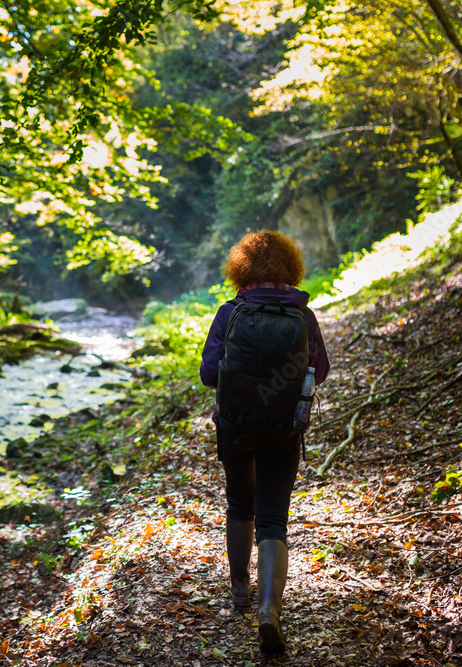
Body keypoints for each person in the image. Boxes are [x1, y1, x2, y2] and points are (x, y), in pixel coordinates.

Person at [199, 231, 330, 651]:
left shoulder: (229, 312)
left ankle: (239, 594)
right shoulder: (302, 316)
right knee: (273, 518)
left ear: (241, 268)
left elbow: (208, 375)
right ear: (290, 268)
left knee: (240, 503)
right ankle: (269, 610)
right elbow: (321, 370)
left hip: (235, 427)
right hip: (284, 429)